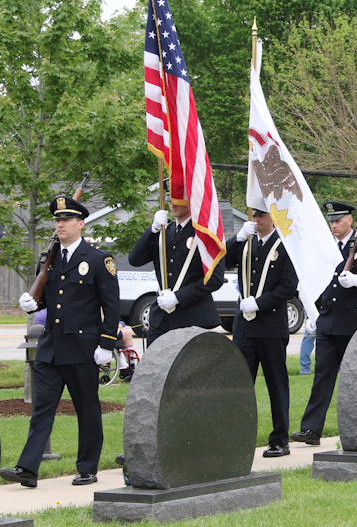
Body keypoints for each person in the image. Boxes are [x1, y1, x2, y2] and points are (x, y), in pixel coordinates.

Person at [0, 195, 120, 488]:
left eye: (66, 220)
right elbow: (52, 301)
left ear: (81, 224)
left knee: (87, 409)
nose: (60, 224)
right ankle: (27, 468)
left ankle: (87, 468)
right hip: (51, 349)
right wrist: (33, 305)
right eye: (57, 220)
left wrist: (106, 343)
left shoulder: (97, 259)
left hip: (82, 349)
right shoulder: (49, 259)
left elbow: (112, 304)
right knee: (42, 409)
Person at [291, 201, 357, 446]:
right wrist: (314, 314)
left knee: (356, 381)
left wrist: (356, 280)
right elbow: (321, 284)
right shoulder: (326, 249)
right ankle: (311, 429)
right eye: (331, 220)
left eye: (338, 220)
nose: (333, 225)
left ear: (350, 221)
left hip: (353, 326)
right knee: (321, 377)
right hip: (328, 324)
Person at [226, 207, 298, 458]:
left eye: (261, 216)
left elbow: (288, 286)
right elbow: (222, 260)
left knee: (276, 385)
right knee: (240, 385)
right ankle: (237, 437)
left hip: (270, 327)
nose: (256, 220)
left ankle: (280, 439)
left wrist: (260, 303)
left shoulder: (285, 245)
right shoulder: (246, 241)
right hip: (244, 328)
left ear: (272, 218)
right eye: (254, 216)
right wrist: (236, 239)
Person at [128, 181, 225, 346]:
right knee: (155, 370)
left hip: (193, 316)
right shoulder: (164, 231)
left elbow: (215, 278)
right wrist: (153, 229)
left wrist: (178, 297)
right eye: (170, 198)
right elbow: (135, 259)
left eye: (179, 198)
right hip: (162, 317)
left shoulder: (204, 233)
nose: (172, 203)